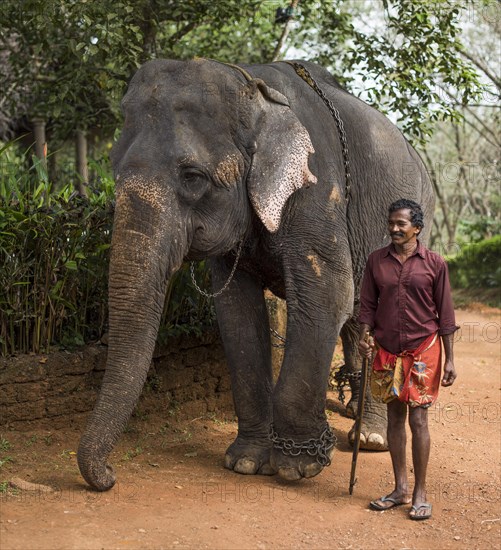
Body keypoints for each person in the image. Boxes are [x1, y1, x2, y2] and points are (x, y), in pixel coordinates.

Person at [358, 198, 458, 521]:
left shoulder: (434, 264)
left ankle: (420, 492)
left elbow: (446, 315)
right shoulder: (376, 262)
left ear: (417, 227)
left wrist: (451, 360)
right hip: (387, 352)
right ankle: (400, 488)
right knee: (394, 418)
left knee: (419, 420)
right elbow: (367, 306)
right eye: (391, 223)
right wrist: (364, 334)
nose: (394, 229)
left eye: (401, 224)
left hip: (423, 351)